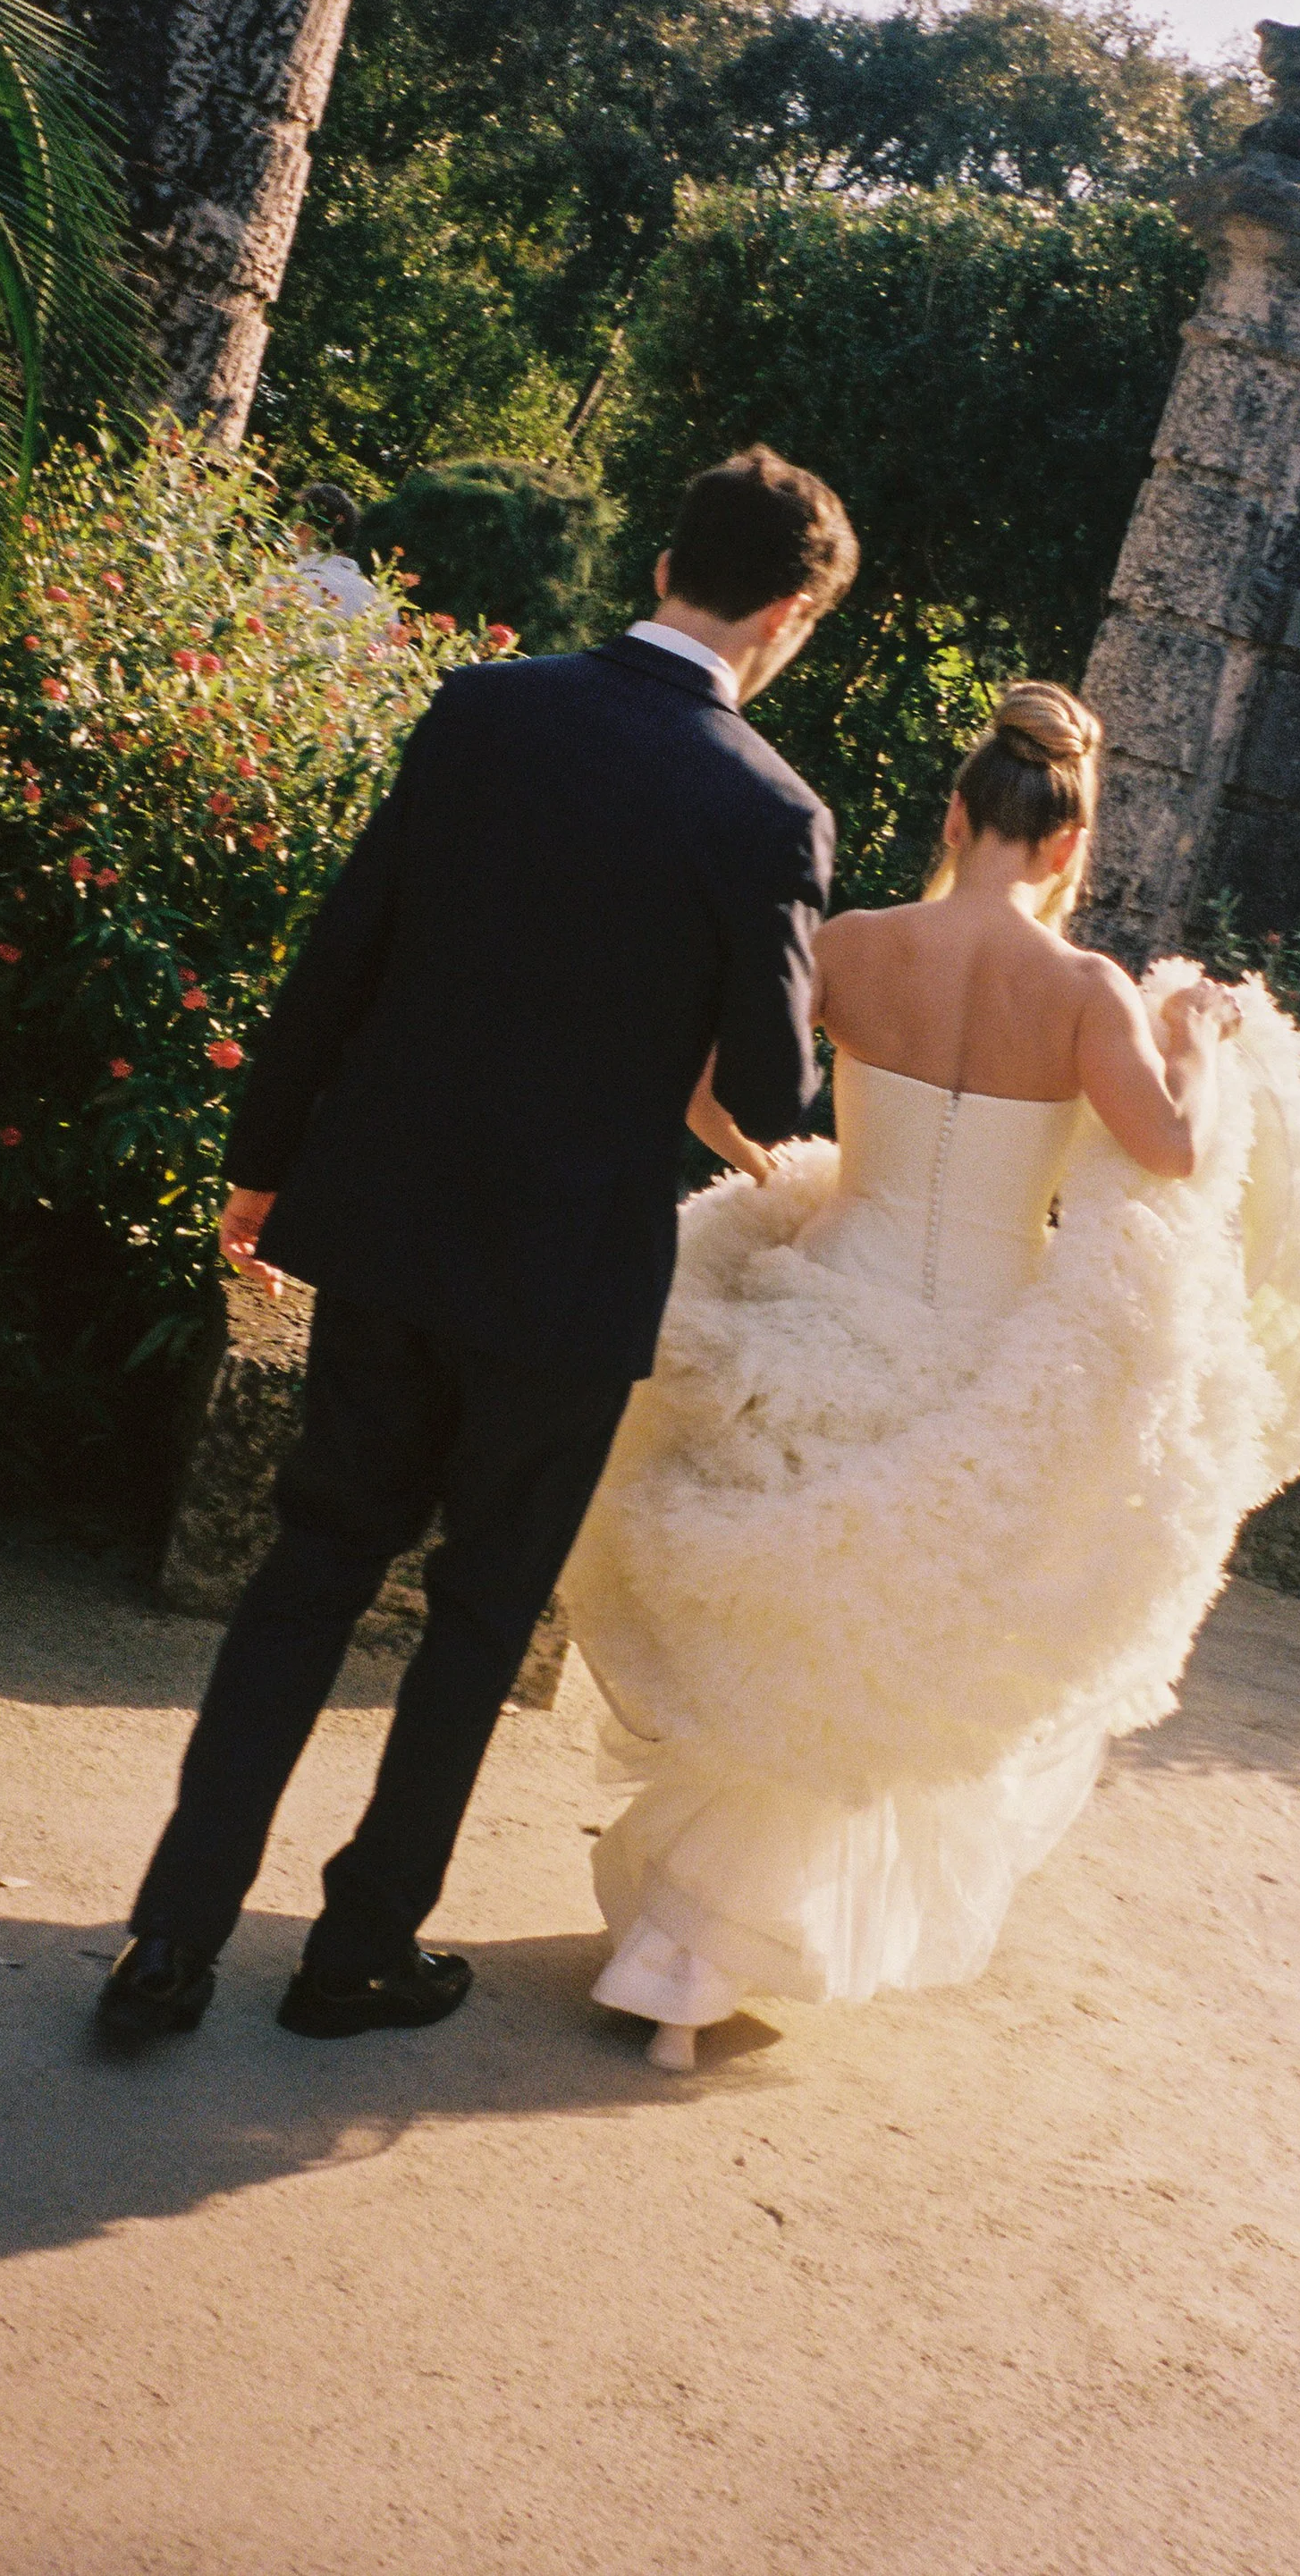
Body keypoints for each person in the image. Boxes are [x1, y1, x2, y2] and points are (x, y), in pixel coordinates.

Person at [99, 447, 858, 2046]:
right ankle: (357, 1950)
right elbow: (779, 1090)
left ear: (665, 561)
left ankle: (168, 1941)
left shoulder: (484, 708)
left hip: (389, 1219)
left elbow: (347, 943)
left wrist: (263, 1165)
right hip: (566, 1277)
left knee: (309, 1570)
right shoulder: (773, 812)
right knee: (475, 1616)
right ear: (787, 616)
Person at [562, 682, 1300, 2073]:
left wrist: (777, 1176)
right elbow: (1174, 1155)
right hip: (977, 1357)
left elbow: (706, 1089)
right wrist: (1192, 1050)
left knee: (782, 1624)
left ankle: (685, 1946)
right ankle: (694, 1959)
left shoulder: (853, 944)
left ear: (955, 814)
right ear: (1068, 847)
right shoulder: (1085, 994)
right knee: (877, 1650)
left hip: (818, 1308)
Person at [290, 480, 380, 617]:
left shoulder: (287, 583)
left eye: (299, 522)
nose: (294, 530)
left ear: (309, 528)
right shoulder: (379, 602)